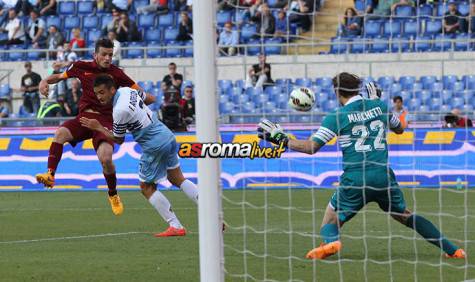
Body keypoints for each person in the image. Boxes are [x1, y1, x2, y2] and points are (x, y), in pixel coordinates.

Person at [257, 72, 466, 260]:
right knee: (405, 215)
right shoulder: (380, 106)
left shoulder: (337, 117)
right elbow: (401, 129)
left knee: (330, 219)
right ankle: (453, 250)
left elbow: (311, 147)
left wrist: (281, 139)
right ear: (358, 89)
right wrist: (377, 102)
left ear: (337, 92)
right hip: (383, 176)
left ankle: (331, 242)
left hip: (356, 177)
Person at [35, 39, 153, 216]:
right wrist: (44, 81)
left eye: (110, 55)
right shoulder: (81, 66)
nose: (107, 58)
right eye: (104, 54)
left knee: (106, 159)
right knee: (59, 134)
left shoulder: (118, 74)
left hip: (105, 121)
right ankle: (50, 174)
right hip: (83, 118)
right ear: (95, 55)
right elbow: (58, 77)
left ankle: (113, 194)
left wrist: (144, 101)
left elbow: (144, 94)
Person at [80, 75, 200, 237]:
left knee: (146, 187)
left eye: (102, 92)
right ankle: (212, 214)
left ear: (112, 89)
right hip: (167, 135)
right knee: (177, 178)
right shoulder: (127, 91)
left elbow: (119, 139)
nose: (100, 97)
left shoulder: (119, 111)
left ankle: (175, 226)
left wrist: (99, 127)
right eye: (97, 94)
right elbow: (149, 98)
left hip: (154, 145)